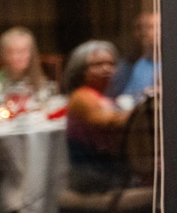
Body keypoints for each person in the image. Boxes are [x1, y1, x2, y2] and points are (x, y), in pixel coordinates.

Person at [64, 41, 129, 193]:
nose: (106, 69)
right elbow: (107, 122)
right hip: (93, 175)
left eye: (111, 63)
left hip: (107, 171)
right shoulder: (82, 96)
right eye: (98, 64)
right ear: (80, 69)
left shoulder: (104, 97)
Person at [106, 13, 160, 100]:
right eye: (151, 27)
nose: (156, 32)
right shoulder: (142, 63)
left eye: (160, 26)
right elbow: (129, 97)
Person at [0, 27, 47, 93]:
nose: (22, 56)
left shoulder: (38, 80)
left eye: (25, 50)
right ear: (5, 55)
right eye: (16, 51)